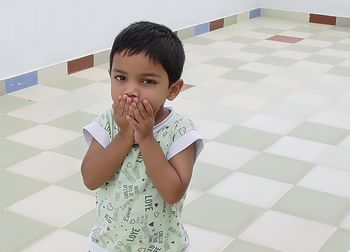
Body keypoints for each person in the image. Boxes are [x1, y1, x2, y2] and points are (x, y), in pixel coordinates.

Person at [81, 21, 204, 252]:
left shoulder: (180, 130)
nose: (130, 91)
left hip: (162, 246)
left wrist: (146, 138)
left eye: (148, 81)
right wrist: (125, 135)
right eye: (120, 78)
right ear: (110, 76)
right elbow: (90, 178)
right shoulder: (107, 122)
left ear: (173, 89)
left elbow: (173, 192)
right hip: (107, 245)